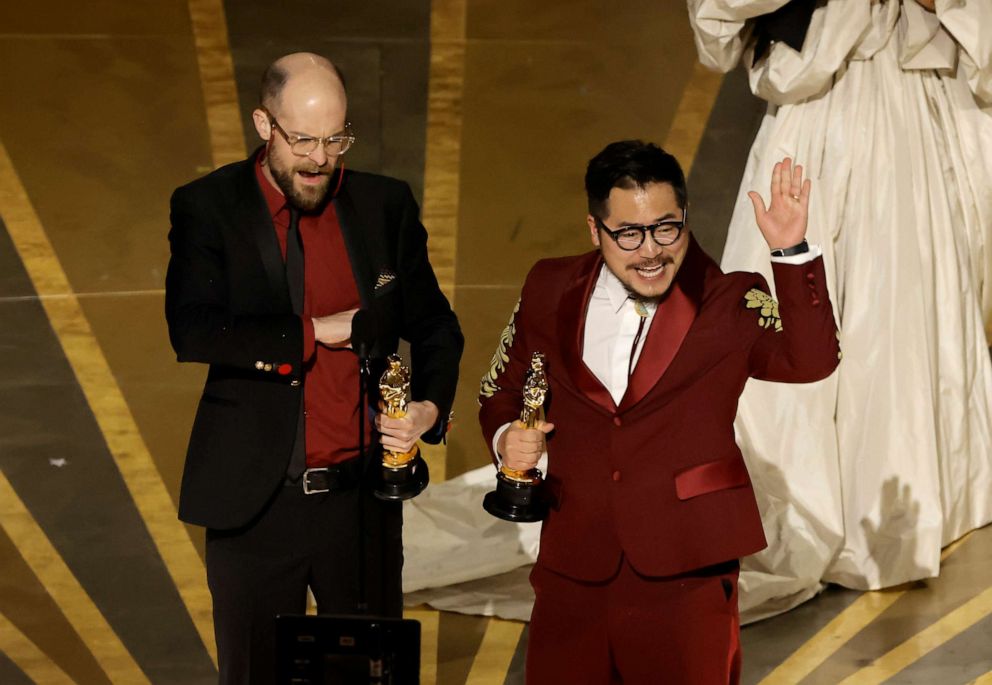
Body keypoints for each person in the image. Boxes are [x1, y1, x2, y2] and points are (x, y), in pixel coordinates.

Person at [478, 140, 840, 683]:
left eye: (666, 228)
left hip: (687, 571)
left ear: (686, 220)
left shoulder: (729, 301)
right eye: (628, 233)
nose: (650, 250)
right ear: (594, 230)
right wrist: (508, 437)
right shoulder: (549, 286)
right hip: (574, 566)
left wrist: (791, 253)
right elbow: (499, 390)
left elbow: (812, 360)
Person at [165, 52, 463, 683]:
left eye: (335, 139)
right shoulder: (209, 206)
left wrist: (428, 409)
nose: (319, 159)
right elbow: (191, 329)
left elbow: (436, 326)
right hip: (256, 504)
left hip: (360, 505)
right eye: (301, 139)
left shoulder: (384, 206)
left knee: (371, 676)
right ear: (263, 124)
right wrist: (310, 332)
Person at [689, 0, 992, 618]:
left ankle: (902, 502)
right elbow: (713, 25)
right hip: (817, 115)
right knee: (793, 311)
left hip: (921, 116)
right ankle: (798, 494)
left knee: (900, 319)